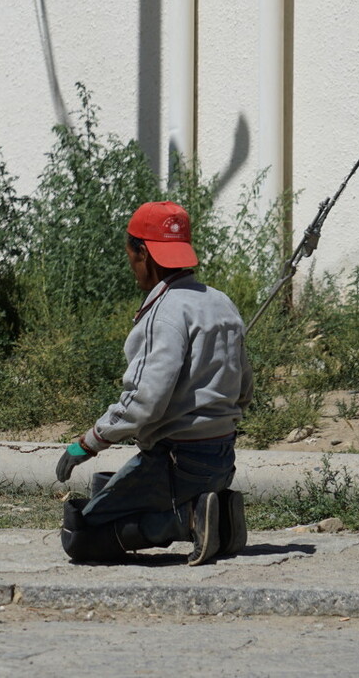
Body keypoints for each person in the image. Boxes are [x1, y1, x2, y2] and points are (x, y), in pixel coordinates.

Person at [55, 200, 253, 566]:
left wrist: (88, 443)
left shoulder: (164, 314)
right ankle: (218, 510)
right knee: (106, 488)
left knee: (79, 534)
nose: (131, 265)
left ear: (142, 253)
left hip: (177, 461)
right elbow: (244, 388)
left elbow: (146, 400)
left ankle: (187, 519)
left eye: (130, 255)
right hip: (222, 458)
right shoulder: (221, 302)